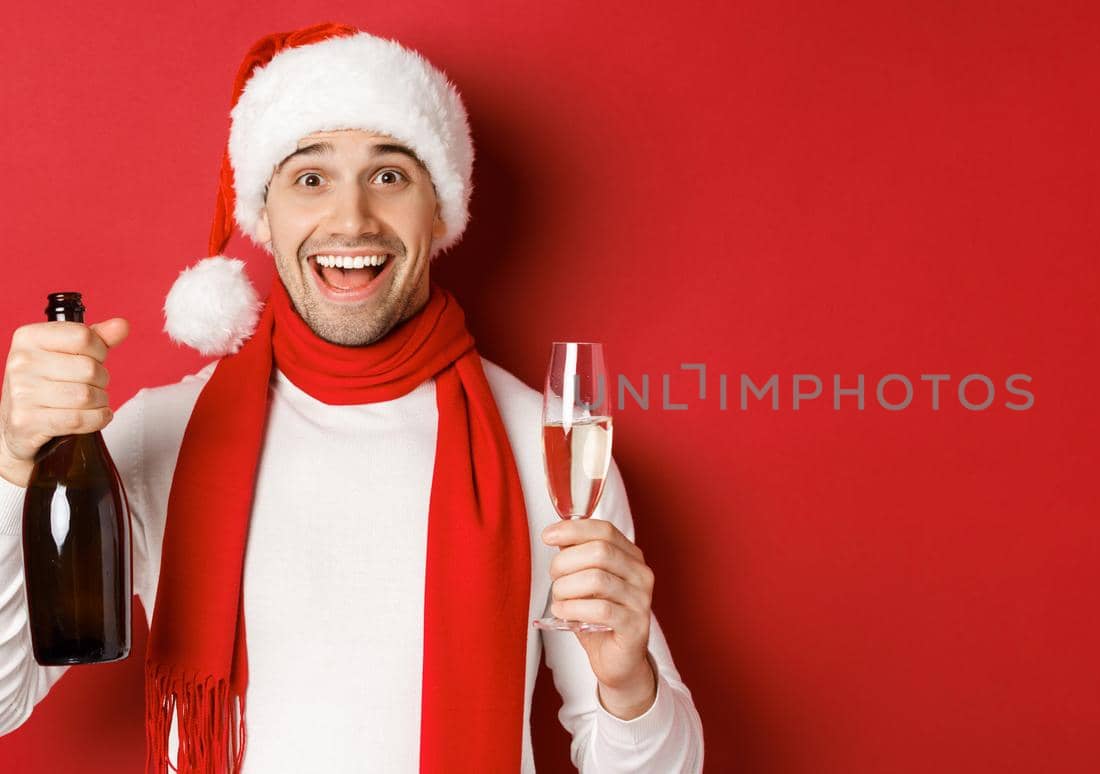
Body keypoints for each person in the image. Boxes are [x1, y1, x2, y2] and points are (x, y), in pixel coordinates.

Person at [0, 23, 703, 773]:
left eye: (390, 175)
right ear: (262, 218)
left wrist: (629, 685)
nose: (351, 220)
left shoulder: (547, 446)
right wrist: (14, 468)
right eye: (310, 178)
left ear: (441, 211)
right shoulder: (155, 436)